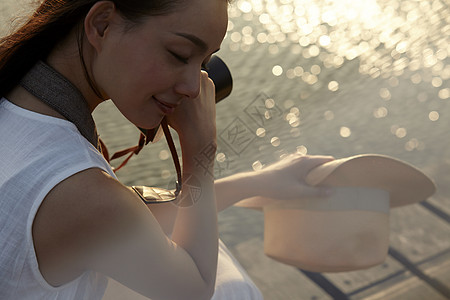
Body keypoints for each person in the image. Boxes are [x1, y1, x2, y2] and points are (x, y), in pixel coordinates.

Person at [0, 0, 333, 299]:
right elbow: (196, 288)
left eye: (204, 62)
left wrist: (258, 183)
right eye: (179, 54)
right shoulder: (80, 188)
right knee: (234, 292)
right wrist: (201, 148)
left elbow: (124, 223)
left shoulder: (20, 99)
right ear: (101, 24)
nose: (193, 86)